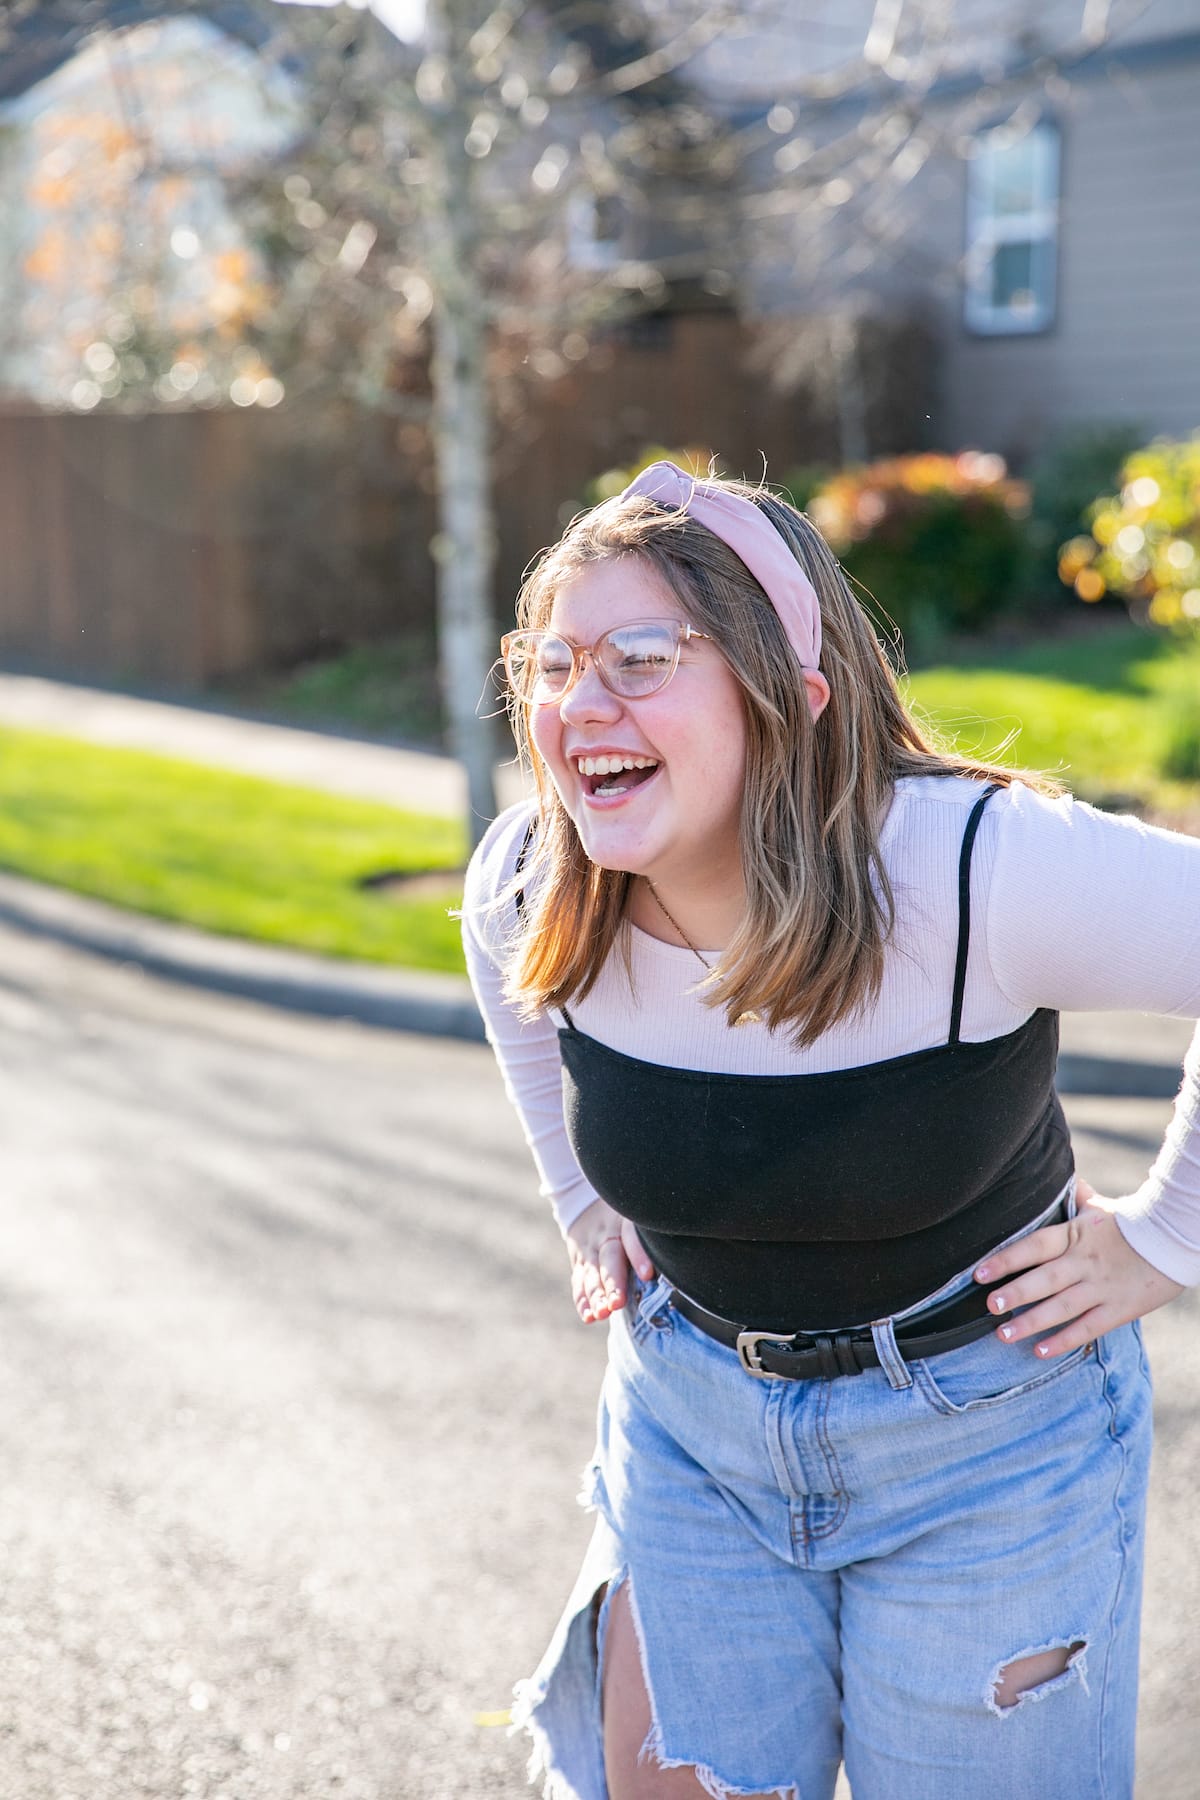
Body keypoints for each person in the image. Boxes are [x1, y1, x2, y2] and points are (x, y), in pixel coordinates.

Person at [461, 461, 1200, 1800]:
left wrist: (1168, 1239)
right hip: (690, 1429)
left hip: (993, 1446)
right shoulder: (534, 873)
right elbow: (515, 1002)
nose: (578, 706)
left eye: (640, 658)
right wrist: (580, 1201)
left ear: (789, 698)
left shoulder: (969, 865)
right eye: (553, 664)